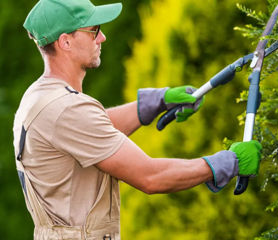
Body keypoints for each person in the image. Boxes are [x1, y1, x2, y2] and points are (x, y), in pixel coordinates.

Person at [13, 0, 262, 239]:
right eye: (93, 30)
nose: (102, 38)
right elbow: (150, 176)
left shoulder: (40, 97)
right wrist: (228, 162)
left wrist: (157, 101)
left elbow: (93, 130)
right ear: (65, 41)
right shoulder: (66, 109)